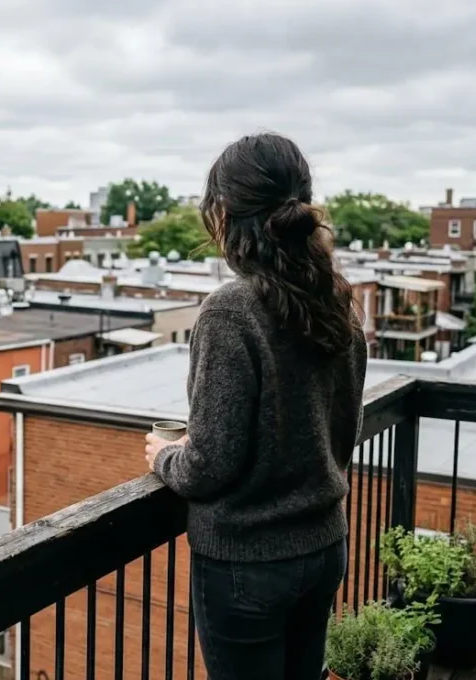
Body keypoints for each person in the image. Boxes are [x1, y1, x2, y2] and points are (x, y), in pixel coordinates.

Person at [144, 133, 367, 680]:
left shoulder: (230, 311)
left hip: (248, 566)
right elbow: (344, 433)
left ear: (223, 216)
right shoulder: (337, 299)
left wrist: (163, 456)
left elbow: (209, 466)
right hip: (323, 548)